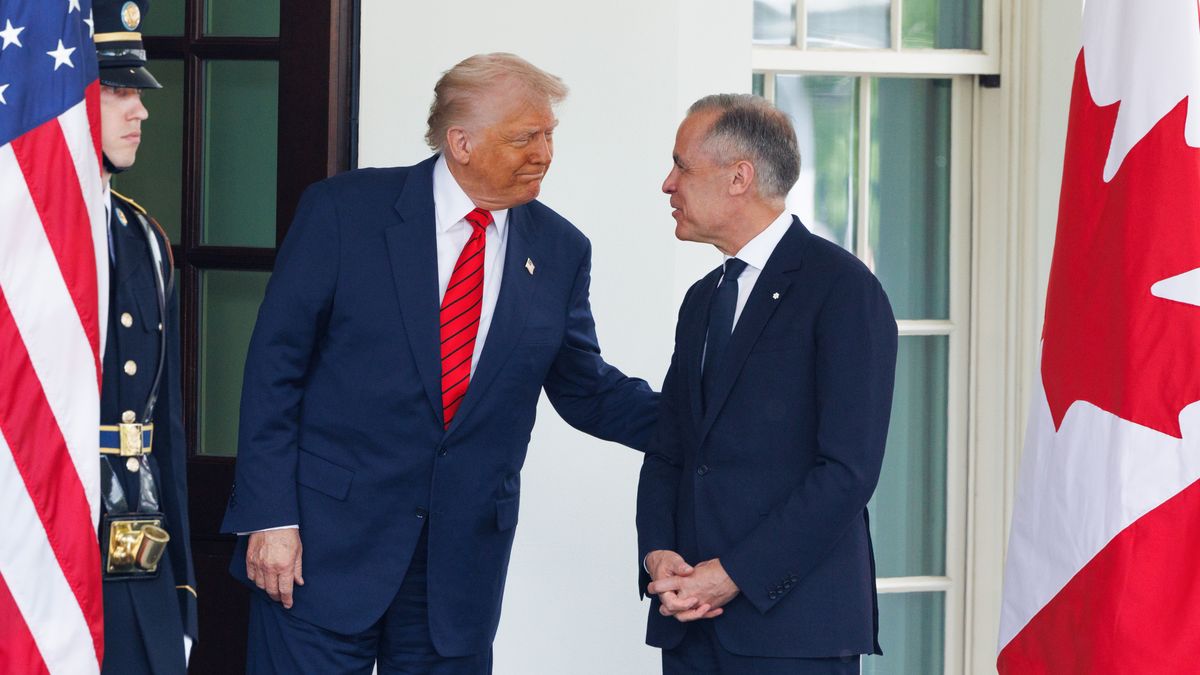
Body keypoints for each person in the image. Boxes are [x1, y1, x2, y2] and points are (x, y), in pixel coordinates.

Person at [220, 52, 658, 673]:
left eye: (549, 135)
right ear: (461, 142)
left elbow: (587, 389)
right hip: (319, 550)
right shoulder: (344, 211)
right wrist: (269, 516)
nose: (544, 154)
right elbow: (274, 370)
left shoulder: (561, 250)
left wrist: (706, 422)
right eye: (525, 137)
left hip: (457, 572)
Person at [636, 94, 898, 674]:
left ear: (739, 177)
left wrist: (734, 575)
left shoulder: (844, 290)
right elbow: (670, 449)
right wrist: (658, 553)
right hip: (690, 626)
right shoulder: (701, 300)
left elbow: (848, 472)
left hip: (794, 632)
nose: (668, 184)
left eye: (681, 166)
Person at [94, 0, 198, 672]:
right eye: (118, 90)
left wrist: (182, 590)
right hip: (39, 553)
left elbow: (166, 433)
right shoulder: (18, 239)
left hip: (137, 560)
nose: (141, 111)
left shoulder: (144, 238)